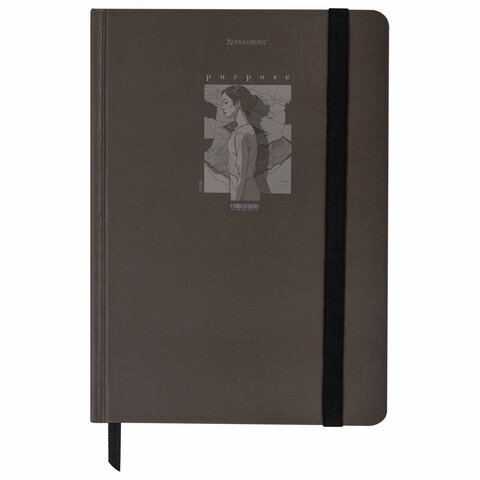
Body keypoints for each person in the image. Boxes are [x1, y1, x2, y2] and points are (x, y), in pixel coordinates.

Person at [221, 86, 261, 202]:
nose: (222, 107)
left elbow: (241, 176)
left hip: (243, 193)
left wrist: (235, 202)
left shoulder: (240, 135)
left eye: (225, 102)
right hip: (248, 190)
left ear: (237, 104)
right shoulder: (248, 130)